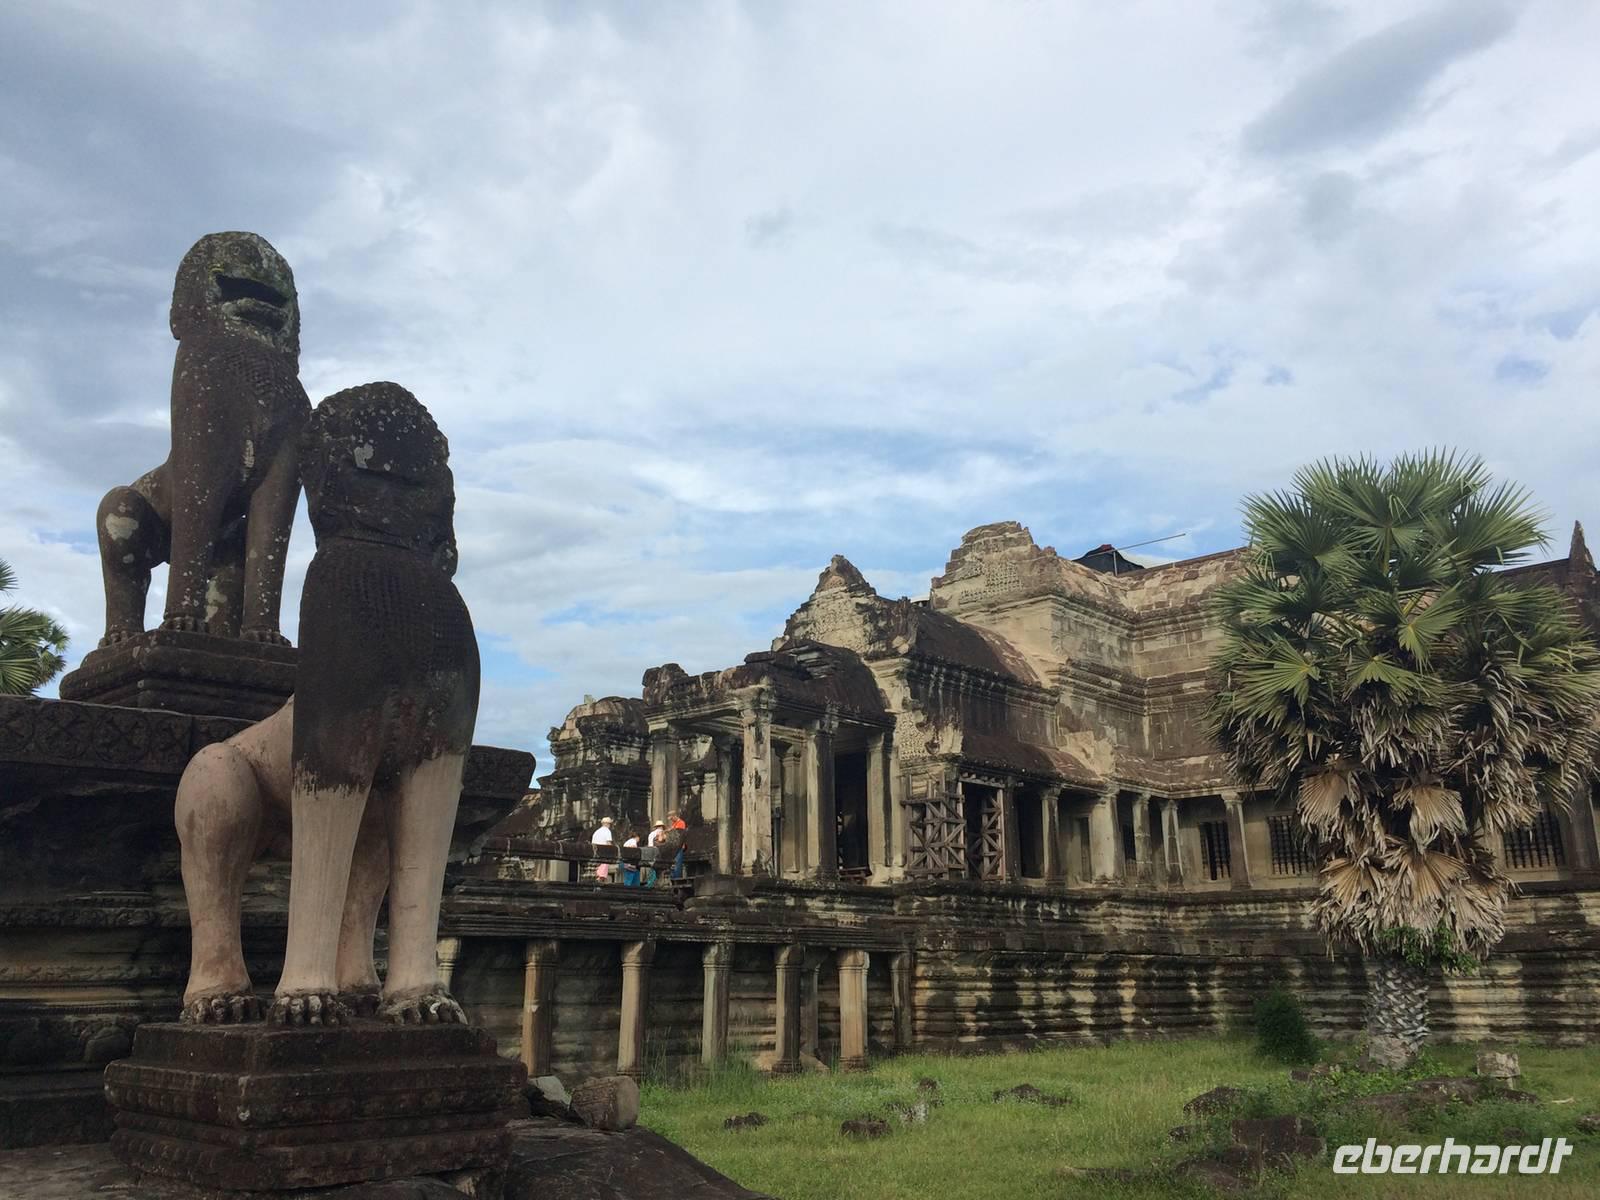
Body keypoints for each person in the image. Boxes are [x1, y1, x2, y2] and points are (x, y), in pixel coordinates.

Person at [591, 816, 614, 882]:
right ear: (607, 824)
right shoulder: (607, 831)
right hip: (604, 853)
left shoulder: (596, 832)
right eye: (609, 824)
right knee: (602, 874)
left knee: (597, 871)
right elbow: (608, 843)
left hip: (595, 853)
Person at [645, 819, 666, 887]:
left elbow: (650, 844)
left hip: (650, 851)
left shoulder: (651, 833)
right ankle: (655, 883)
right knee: (658, 870)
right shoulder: (660, 832)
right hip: (657, 852)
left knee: (652, 869)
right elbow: (660, 840)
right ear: (661, 827)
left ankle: (650, 883)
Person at [668, 810, 687, 880]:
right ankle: (673, 878)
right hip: (673, 847)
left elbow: (679, 834)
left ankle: (677, 878)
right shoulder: (673, 824)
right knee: (673, 864)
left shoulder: (681, 823)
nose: (671, 820)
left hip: (679, 846)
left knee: (677, 863)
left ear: (675, 816)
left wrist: (671, 830)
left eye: (672, 818)